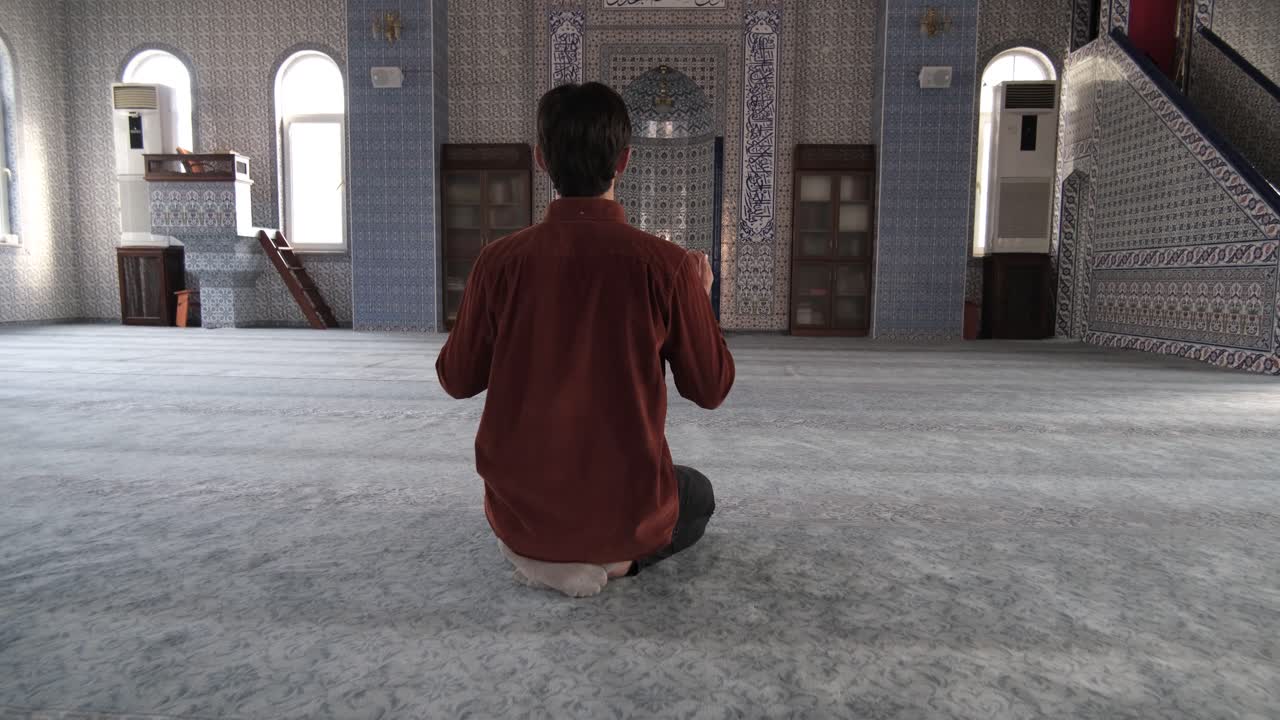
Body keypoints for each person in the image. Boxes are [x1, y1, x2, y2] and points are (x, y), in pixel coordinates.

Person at [435, 81, 735, 598]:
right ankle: (618, 565)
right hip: (623, 511)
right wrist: (699, 301)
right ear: (624, 161)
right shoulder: (668, 267)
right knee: (698, 494)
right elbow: (710, 389)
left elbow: (456, 380)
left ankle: (537, 550)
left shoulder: (498, 262)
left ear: (541, 159)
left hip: (521, 509)